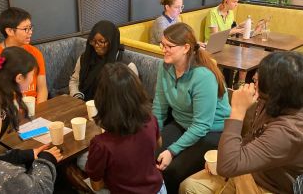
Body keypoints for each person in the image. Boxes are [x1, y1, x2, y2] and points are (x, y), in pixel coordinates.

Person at [179, 52, 303, 194]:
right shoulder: (270, 101)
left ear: (278, 89)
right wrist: (223, 156)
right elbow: (251, 137)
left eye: (262, 74)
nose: (255, 77)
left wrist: (237, 110)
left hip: (267, 186)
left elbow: (227, 166)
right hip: (249, 170)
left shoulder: (289, 131)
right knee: (187, 186)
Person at [153, 23, 231, 193]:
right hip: (182, 122)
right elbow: (159, 108)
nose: (163, 49)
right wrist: (153, 136)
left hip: (211, 131)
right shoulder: (165, 67)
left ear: (186, 48)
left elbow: (201, 124)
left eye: (169, 46)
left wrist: (171, 151)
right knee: (149, 154)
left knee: (172, 170)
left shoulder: (203, 76)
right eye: (162, 44)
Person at [85, 62, 166, 193]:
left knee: (78, 171)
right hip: (158, 189)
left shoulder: (100, 144)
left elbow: (97, 186)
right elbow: (158, 144)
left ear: (102, 100)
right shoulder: (151, 120)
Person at [0, 7, 48, 103]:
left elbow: (42, 88)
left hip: (35, 107)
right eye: (25, 29)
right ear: (9, 31)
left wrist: (39, 112)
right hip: (10, 110)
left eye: (30, 27)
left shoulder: (35, 53)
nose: (30, 32)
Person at [69, 20, 137, 101]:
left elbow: (131, 99)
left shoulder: (127, 66)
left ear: (111, 41)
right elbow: (74, 81)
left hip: (113, 109)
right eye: (93, 41)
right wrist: (77, 97)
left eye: (101, 41)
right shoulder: (85, 58)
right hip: (84, 104)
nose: (96, 45)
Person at [204, 0, 247, 89]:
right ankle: (225, 87)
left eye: (238, 2)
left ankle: (236, 85)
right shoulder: (213, 13)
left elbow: (229, 30)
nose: (237, 4)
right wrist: (234, 31)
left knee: (243, 53)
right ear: (226, 1)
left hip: (225, 44)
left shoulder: (230, 13)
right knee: (236, 55)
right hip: (212, 46)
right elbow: (216, 35)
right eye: (235, 2)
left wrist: (240, 25)